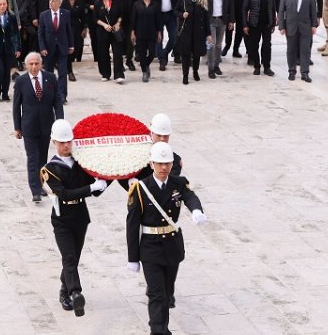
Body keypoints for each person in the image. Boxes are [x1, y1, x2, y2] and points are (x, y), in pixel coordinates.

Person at [126, 142, 206, 335]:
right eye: (159, 163)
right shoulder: (140, 189)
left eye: (167, 163)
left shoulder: (178, 183)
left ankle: (162, 327)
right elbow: (132, 225)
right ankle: (159, 331)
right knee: (157, 295)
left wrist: (196, 210)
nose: (164, 168)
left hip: (172, 245)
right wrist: (133, 258)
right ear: (151, 164)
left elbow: (189, 196)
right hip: (150, 248)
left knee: (167, 292)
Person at [41, 119, 108, 317]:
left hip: (80, 216)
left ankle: (64, 289)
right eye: (62, 142)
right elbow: (64, 194)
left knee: (73, 259)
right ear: (54, 141)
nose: (66, 145)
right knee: (68, 258)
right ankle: (75, 292)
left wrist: (108, 181)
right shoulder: (49, 169)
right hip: (62, 219)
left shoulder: (81, 164)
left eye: (69, 141)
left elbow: (95, 190)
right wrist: (91, 188)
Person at [13, 52, 64, 202]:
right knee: (32, 157)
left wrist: (59, 123)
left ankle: (40, 185)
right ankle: (34, 189)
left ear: (41, 64)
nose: (34, 67)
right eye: (31, 64)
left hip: (46, 125)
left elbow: (57, 102)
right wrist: (17, 127)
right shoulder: (21, 81)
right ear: (26, 65)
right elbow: (17, 106)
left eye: (36, 63)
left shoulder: (50, 78)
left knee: (42, 157)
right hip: (29, 126)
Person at [280, 0, 318, 82]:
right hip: (291, 27)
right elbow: (282, 11)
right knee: (291, 50)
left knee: (305, 50)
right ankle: (292, 71)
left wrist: (314, 25)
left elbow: (313, 11)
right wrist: (282, 26)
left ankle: (305, 73)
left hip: (305, 27)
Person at [175, 0, 212, 84]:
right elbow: (175, 10)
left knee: (196, 55)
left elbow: (206, 20)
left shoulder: (202, 1)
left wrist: (208, 34)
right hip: (186, 32)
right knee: (185, 54)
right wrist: (182, 14)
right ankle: (185, 75)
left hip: (198, 33)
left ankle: (195, 71)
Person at [38, 0, 73, 102]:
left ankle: (62, 96)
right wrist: (42, 47)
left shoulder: (66, 14)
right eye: (50, 0)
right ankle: (49, 94)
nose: (50, 3)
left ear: (59, 2)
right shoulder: (44, 15)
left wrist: (71, 45)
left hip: (62, 47)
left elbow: (69, 30)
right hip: (48, 48)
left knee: (62, 72)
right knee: (48, 73)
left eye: (53, 1)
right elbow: (40, 33)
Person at [202, 0, 234, 79]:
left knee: (219, 44)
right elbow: (202, 4)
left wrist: (231, 20)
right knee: (211, 44)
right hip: (210, 19)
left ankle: (216, 66)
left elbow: (231, 3)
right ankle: (210, 68)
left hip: (222, 19)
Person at [243, 0, 277, 76]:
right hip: (254, 24)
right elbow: (244, 10)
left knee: (267, 46)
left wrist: (273, 23)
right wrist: (245, 25)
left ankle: (267, 67)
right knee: (254, 46)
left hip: (267, 25)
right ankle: (257, 66)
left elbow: (273, 8)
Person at [130, 0, 161, 83]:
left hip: (152, 33)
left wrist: (159, 32)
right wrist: (132, 32)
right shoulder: (137, 4)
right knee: (142, 54)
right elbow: (133, 20)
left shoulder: (155, 5)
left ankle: (146, 65)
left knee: (152, 53)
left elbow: (158, 20)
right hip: (140, 33)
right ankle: (144, 72)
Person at [95, 0, 125, 83]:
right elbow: (95, 18)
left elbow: (121, 15)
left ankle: (119, 74)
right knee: (103, 53)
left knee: (117, 53)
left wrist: (118, 23)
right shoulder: (98, 3)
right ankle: (105, 74)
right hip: (103, 31)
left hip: (115, 30)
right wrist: (104, 25)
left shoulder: (117, 2)